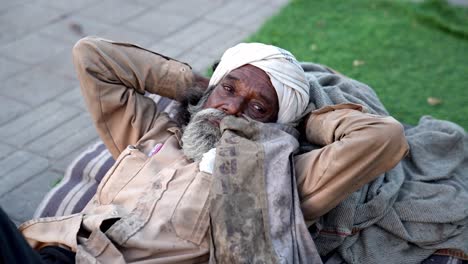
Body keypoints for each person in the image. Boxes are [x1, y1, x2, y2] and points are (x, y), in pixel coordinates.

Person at [1, 37, 408, 263]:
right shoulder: (154, 131)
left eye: (258, 108)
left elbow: (382, 139)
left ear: (274, 126)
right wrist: (199, 88)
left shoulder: (277, 181)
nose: (233, 108)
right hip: (50, 249)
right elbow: (92, 57)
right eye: (229, 89)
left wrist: (306, 122)